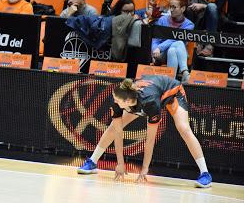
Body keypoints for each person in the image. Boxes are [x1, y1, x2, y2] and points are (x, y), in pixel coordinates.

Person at [77, 75, 212, 188]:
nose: (114, 103)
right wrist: (120, 163)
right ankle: (92, 162)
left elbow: (150, 139)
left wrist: (145, 168)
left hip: (173, 93)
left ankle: (205, 174)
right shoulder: (118, 98)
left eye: (117, 101)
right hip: (143, 99)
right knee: (113, 127)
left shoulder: (150, 102)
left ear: (128, 101)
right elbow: (118, 132)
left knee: (184, 129)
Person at [151, 0, 193, 82]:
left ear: (183, 9)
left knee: (174, 47)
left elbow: (175, 38)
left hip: (179, 54)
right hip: (161, 54)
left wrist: (160, 47)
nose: (171, 10)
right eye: (170, 7)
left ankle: (171, 81)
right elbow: (155, 39)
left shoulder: (189, 25)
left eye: (174, 7)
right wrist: (155, 49)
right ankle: (185, 72)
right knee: (179, 42)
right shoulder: (162, 20)